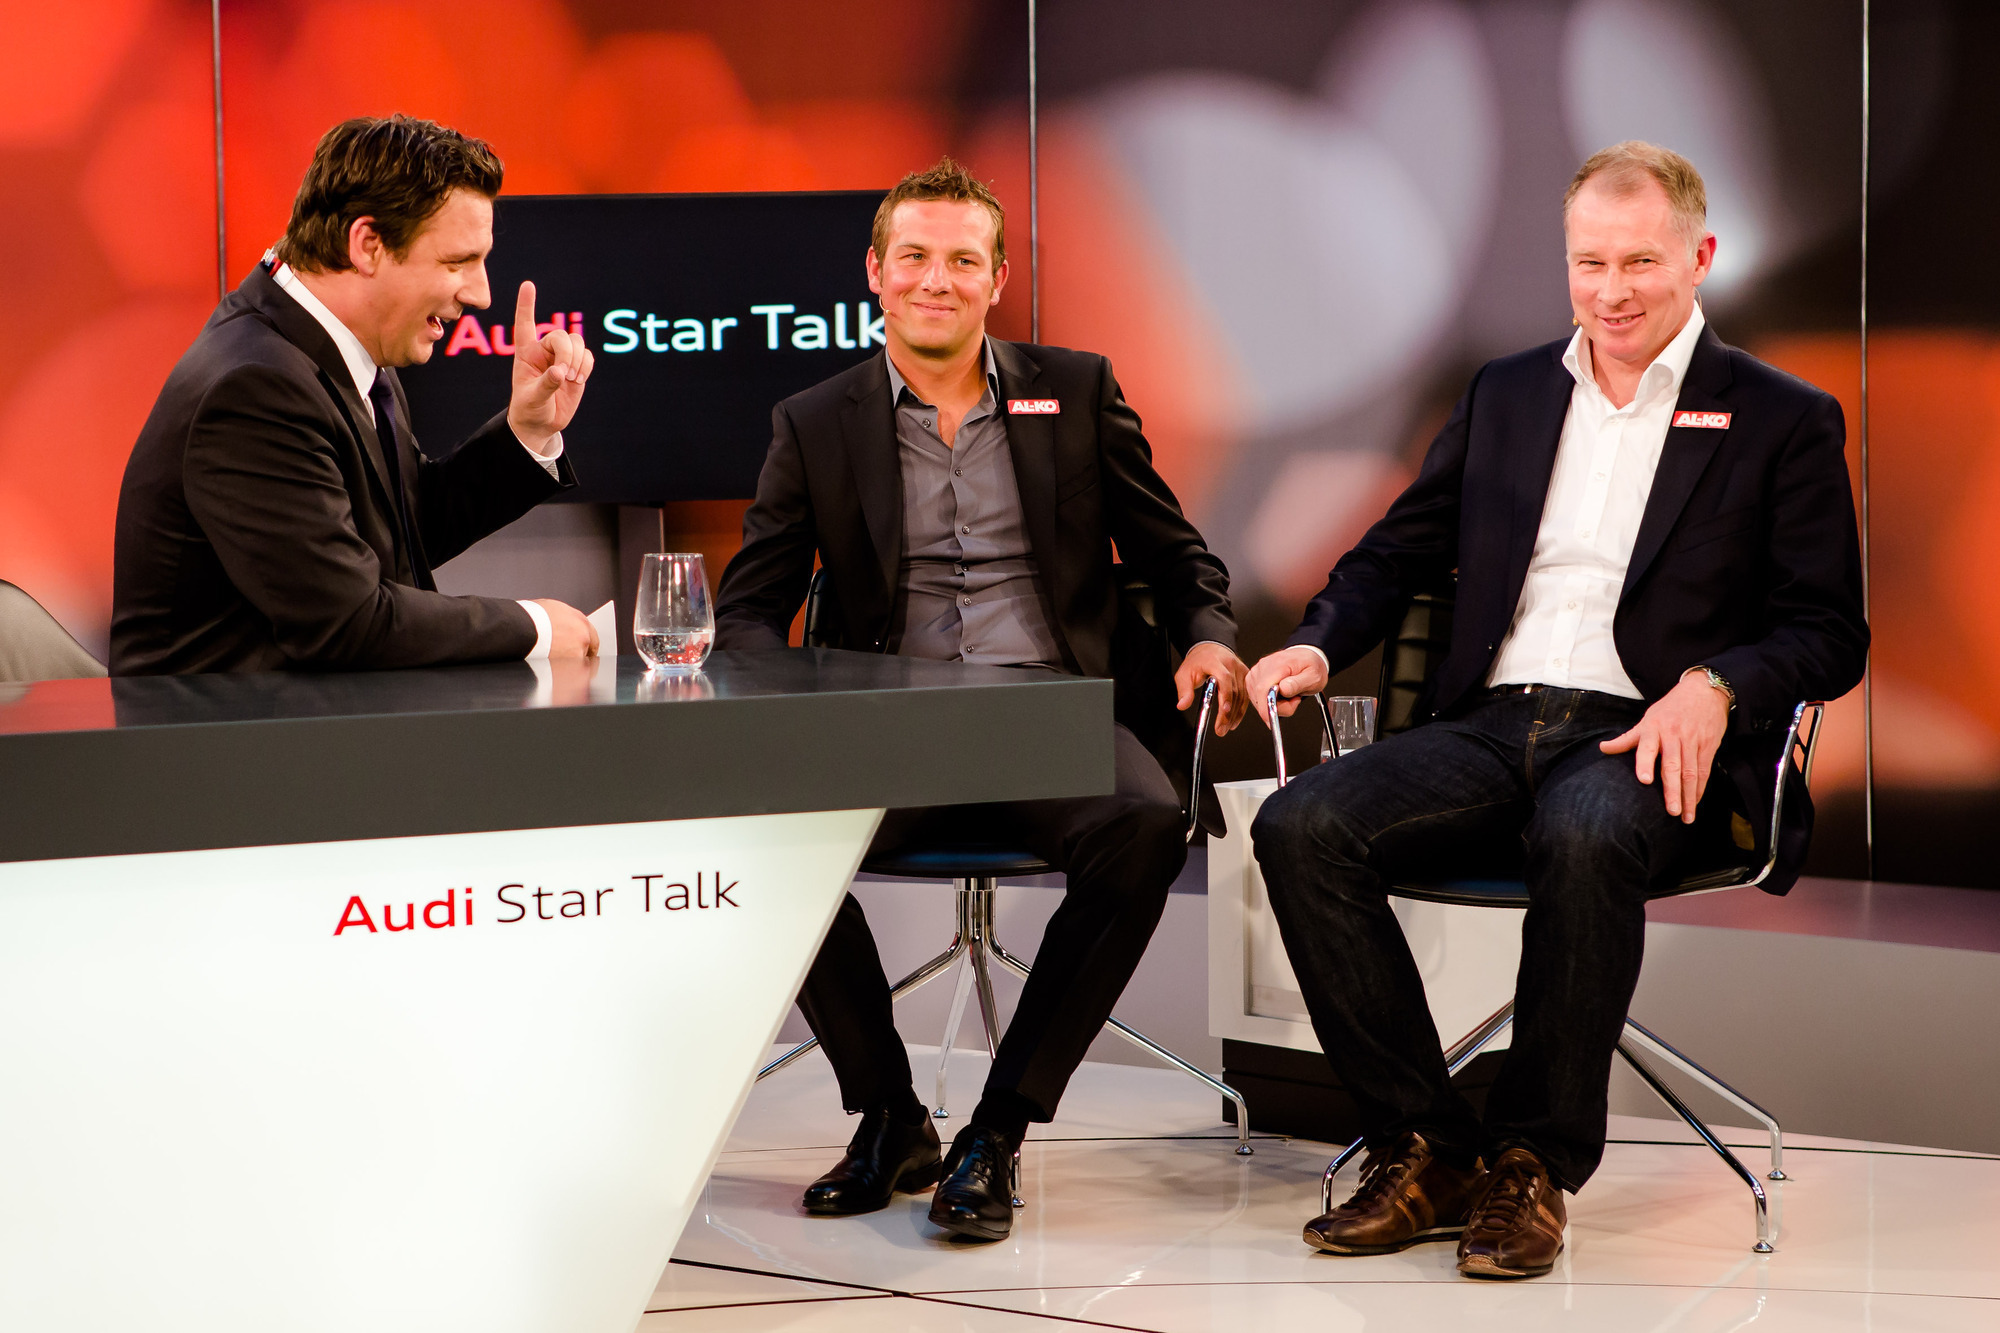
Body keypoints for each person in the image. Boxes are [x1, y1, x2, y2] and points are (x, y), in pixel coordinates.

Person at [1245, 142, 1867, 1280]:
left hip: (1644, 732)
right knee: (1299, 824)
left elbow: (1828, 630)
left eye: (1640, 261)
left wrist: (1717, 685)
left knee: (1582, 830)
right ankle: (1425, 1145)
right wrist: (1318, 639)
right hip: (1492, 721)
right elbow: (1399, 548)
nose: (1612, 290)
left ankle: (1531, 1162)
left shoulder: (1781, 416)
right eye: (1590, 262)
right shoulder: (1509, 390)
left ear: (1699, 257)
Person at [713, 157, 1249, 1242]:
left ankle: (995, 1132)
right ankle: (888, 1113)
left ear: (997, 278)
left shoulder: (1076, 391)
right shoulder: (814, 422)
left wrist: (1209, 638)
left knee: (1146, 824)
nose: (936, 280)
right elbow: (748, 612)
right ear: (874, 270)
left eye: (963, 260)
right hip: (890, 726)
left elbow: (1178, 555)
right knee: (766, 833)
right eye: (913, 256)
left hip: (1050, 715)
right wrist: (775, 712)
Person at [112, 114, 597, 676]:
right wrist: (534, 627)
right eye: (457, 262)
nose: (482, 294)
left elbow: (400, 531)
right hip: (227, 729)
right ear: (368, 246)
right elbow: (347, 624)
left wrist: (527, 432)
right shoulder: (255, 389)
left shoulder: (338, 345)